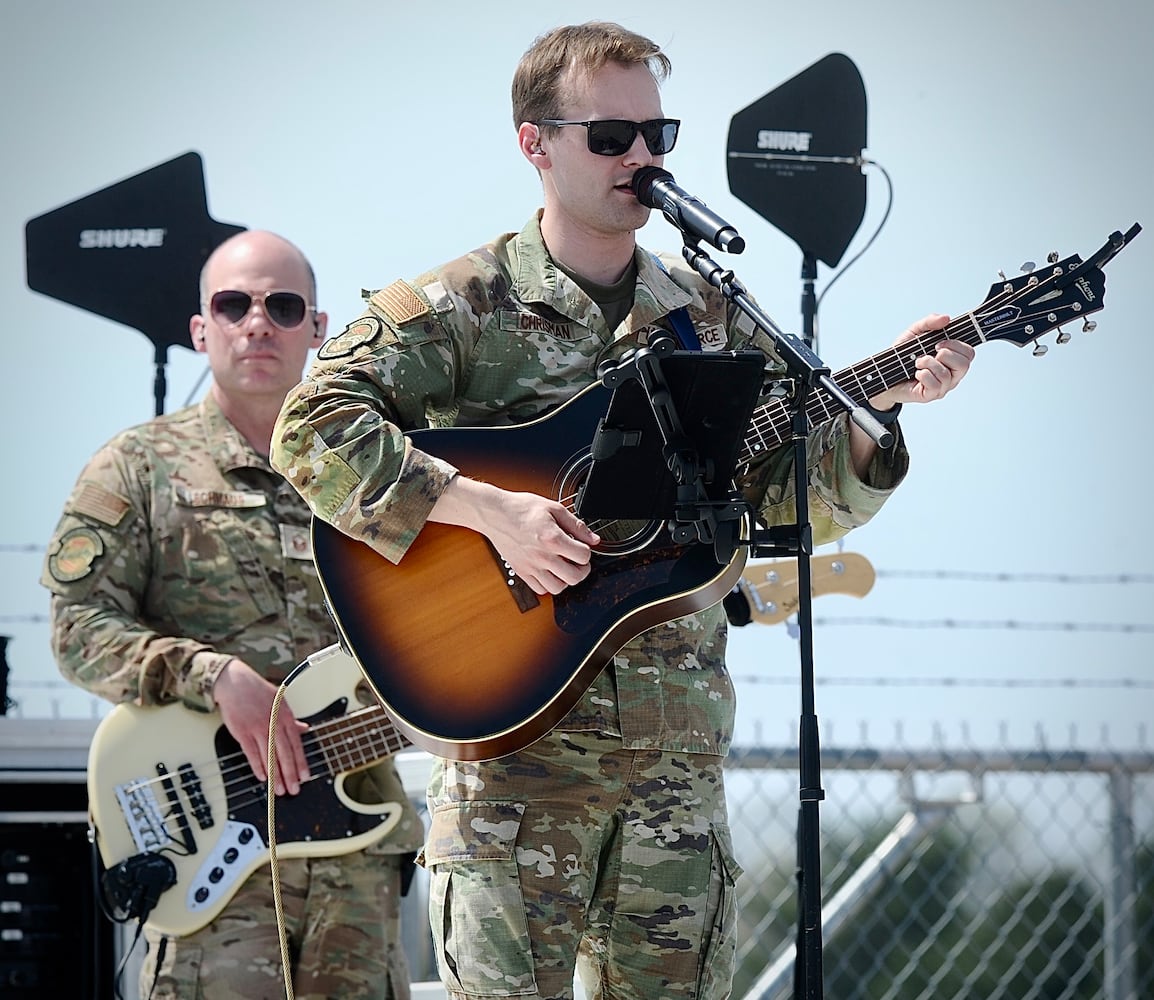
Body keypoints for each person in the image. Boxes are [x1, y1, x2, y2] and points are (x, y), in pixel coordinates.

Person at [270, 21, 975, 1000]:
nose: (641, 158)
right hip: (512, 762)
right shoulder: (458, 306)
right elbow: (308, 427)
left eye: (657, 135)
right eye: (611, 137)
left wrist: (877, 413)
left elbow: (778, 506)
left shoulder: (712, 317)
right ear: (535, 144)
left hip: (670, 770)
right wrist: (486, 511)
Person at [41, 230, 423, 1000]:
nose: (258, 324)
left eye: (283, 307)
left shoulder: (382, 471)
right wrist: (209, 675)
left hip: (358, 865)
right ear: (200, 329)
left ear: (317, 330)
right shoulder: (137, 467)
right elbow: (77, 626)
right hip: (214, 875)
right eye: (234, 304)